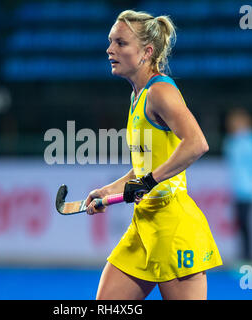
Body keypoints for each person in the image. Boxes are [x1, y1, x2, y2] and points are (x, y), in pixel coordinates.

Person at [85, 10, 223, 300]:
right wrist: (108, 190)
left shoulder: (160, 91)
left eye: (121, 43)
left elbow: (197, 143)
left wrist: (148, 181)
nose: (110, 49)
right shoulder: (138, 95)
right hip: (144, 225)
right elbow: (146, 167)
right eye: (111, 42)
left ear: (147, 52)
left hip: (173, 229)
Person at [223, 108, 252, 264]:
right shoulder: (232, 141)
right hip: (237, 189)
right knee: (240, 224)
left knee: (247, 224)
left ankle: (250, 258)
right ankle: (242, 257)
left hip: (250, 189)